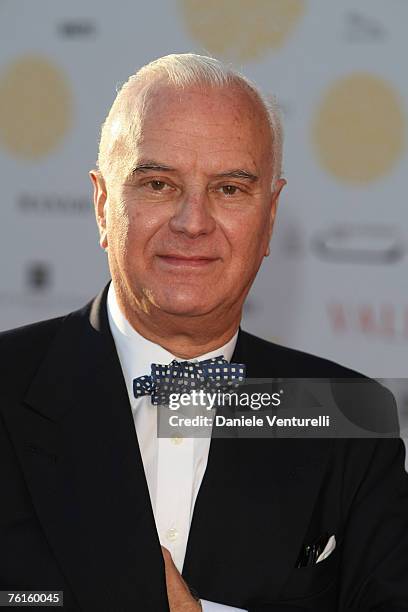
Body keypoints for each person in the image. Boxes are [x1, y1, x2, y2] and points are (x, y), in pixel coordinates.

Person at [0, 53, 407, 612]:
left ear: (270, 216)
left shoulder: (349, 420)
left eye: (230, 189)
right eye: (160, 184)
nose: (193, 222)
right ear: (102, 204)